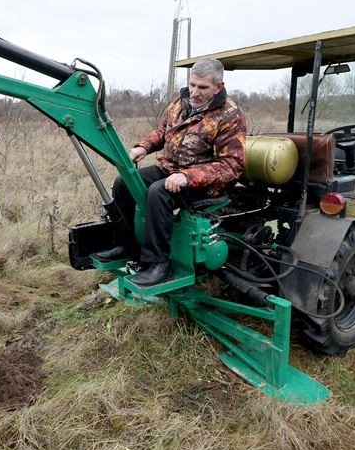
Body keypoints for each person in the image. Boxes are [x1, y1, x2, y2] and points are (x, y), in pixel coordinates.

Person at [94, 58, 247, 287]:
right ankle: (126, 245)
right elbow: (162, 131)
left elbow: (232, 165)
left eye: (203, 87)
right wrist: (143, 146)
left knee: (158, 192)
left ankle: (158, 264)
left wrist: (188, 177)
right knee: (123, 182)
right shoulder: (180, 102)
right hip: (168, 169)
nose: (195, 92)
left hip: (204, 184)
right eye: (193, 84)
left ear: (219, 87)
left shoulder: (229, 116)